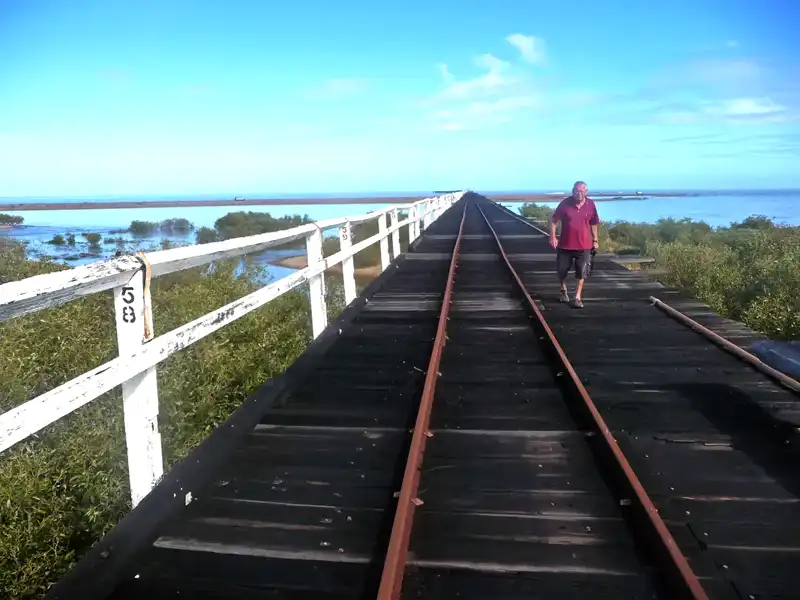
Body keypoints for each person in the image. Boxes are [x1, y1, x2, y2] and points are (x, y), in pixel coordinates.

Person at [549, 181, 599, 309]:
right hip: (565, 245)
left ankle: (577, 297)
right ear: (573, 191)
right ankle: (563, 291)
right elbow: (554, 220)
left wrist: (595, 240)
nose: (579, 193)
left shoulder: (591, 204)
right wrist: (553, 236)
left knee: (582, 272)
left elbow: (594, 223)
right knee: (561, 270)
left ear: (586, 192)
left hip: (584, 246)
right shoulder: (565, 203)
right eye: (577, 191)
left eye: (582, 191)